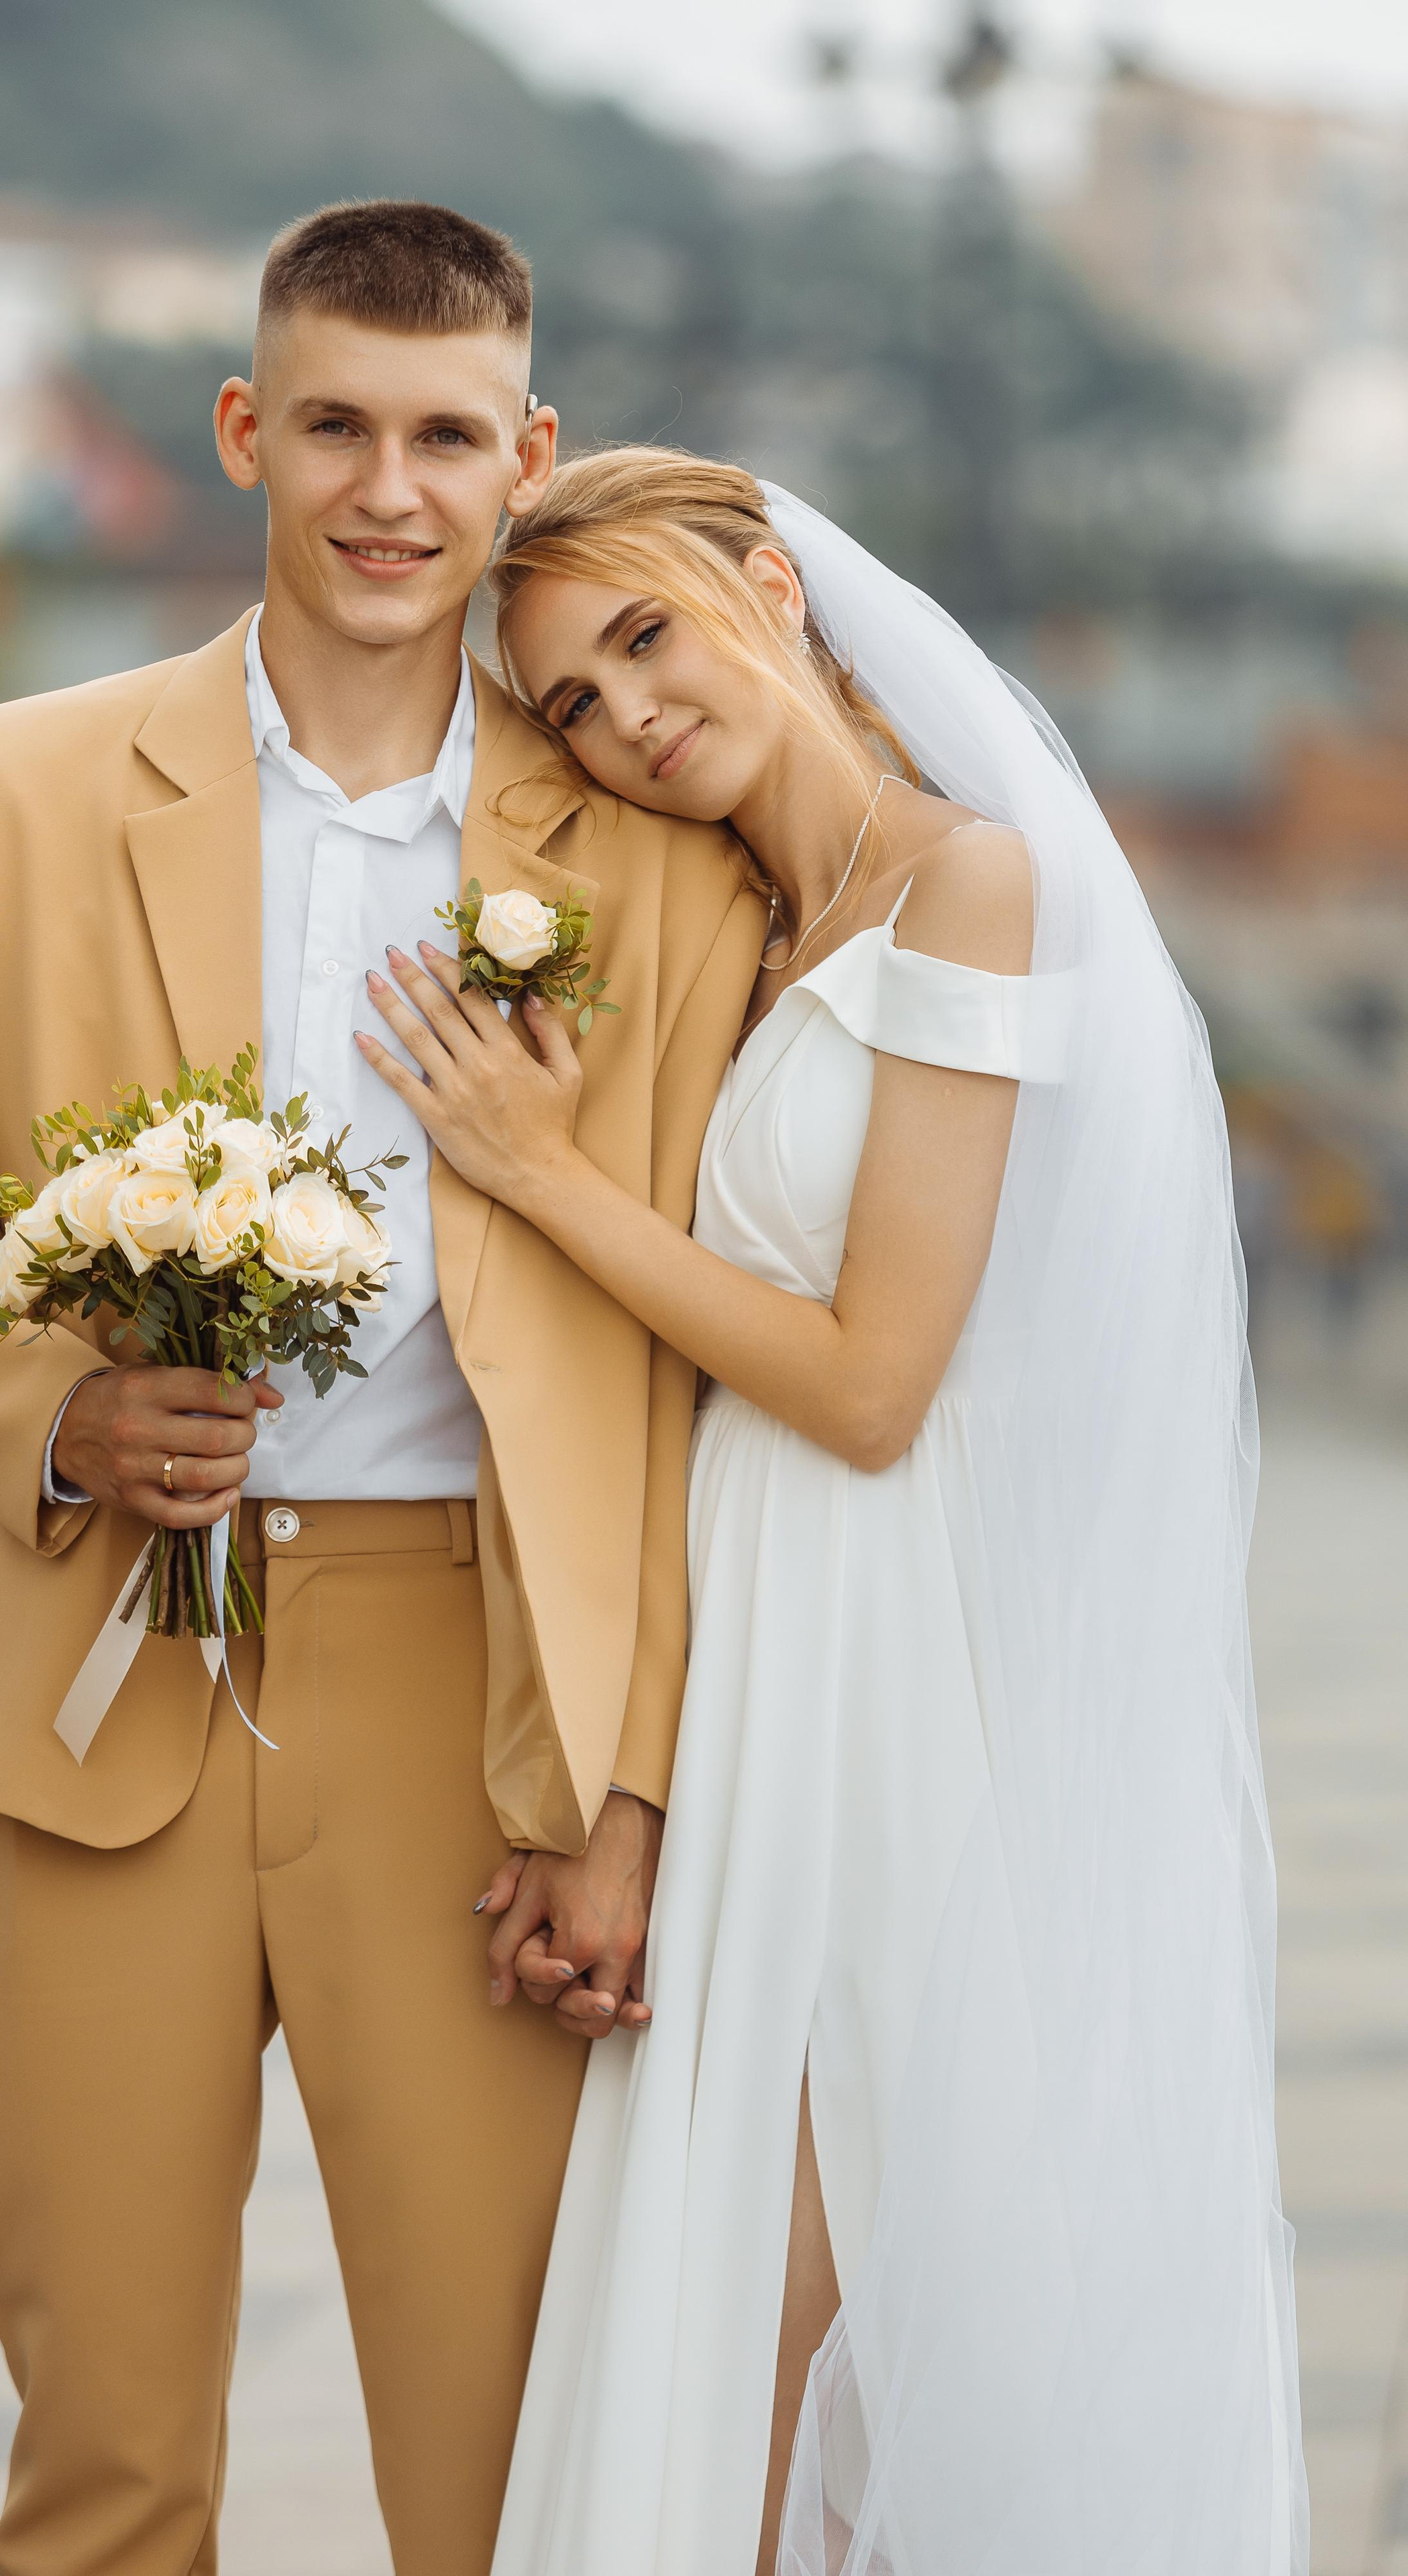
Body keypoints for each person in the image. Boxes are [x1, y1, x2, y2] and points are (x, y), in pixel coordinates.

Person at [0, 215, 761, 2575]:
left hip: (475, 1716)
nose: (388, 488)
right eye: (333, 422)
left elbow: (678, 1364)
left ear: (522, 459)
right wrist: (56, 1415)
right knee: (107, 2460)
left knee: (500, 2459)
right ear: (247, 429)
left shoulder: (649, 861)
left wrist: (630, 1786)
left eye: (449, 437)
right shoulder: (12, 786)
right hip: (96, 1678)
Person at [360, 450, 1307, 2575]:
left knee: (821, 2270)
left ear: (771, 587)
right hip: (762, 1639)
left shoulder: (971, 879)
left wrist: (543, 1171)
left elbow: (880, 1384)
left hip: (903, 1659)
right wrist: (617, 1785)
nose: (625, 716)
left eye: (642, 638)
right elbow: (689, 1391)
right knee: (736, 2286)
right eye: (577, 703)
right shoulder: (748, 923)